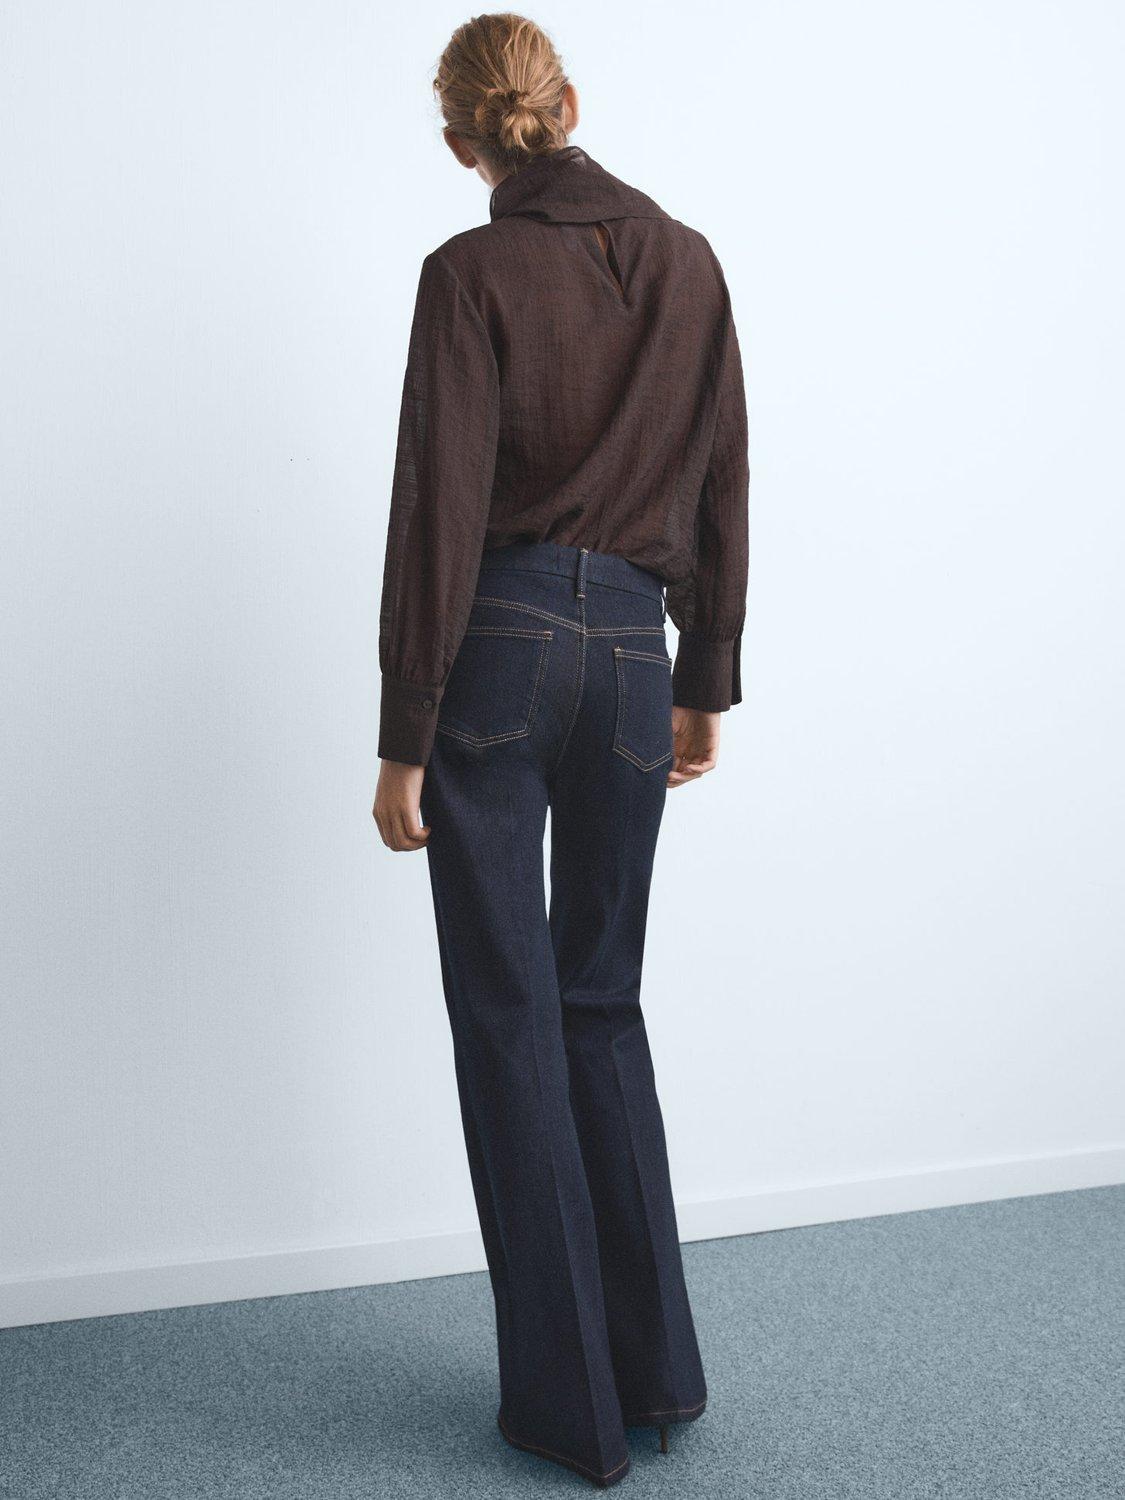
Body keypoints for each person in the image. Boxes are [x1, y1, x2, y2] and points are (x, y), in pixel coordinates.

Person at [372, 12, 748, 1488]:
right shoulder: (690, 260)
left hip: (503, 646)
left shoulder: (467, 274)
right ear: (569, 105)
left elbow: (439, 505)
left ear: (458, 142)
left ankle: (566, 1410)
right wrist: (702, 679)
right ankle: (656, 1379)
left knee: (509, 1015)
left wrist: (406, 731)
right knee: (601, 1001)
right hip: (634, 650)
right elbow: (722, 478)